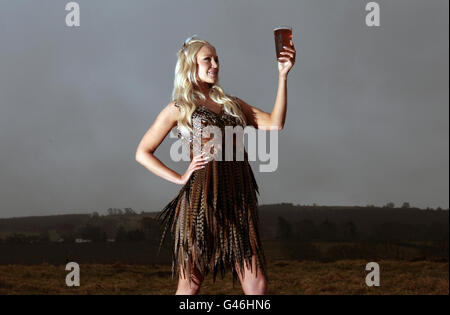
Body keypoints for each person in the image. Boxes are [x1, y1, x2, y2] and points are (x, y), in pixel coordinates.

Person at [135, 35, 295, 295]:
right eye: (207, 59)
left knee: (257, 284)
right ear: (191, 65)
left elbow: (275, 124)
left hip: (238, 199)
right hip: (202, 201)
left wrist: (283, 76)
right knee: (190, 285)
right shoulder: (179, 108)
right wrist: (180, 177)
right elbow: (143, 152)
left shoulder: (232, 104)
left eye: (217, 59)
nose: (215, 65)